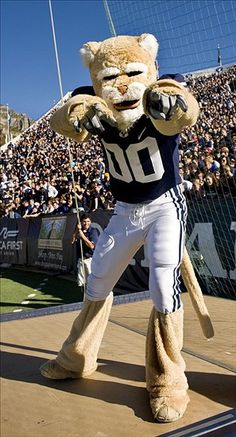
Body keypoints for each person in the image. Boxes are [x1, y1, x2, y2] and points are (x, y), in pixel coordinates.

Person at [40, 33, 201, 423]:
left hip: (165, 205)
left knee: (163, 285)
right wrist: (79, 113)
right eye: (113, 76)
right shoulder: (93, 97)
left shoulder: (160, 88)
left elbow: (184, 107)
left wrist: (172, 104)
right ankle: (77, 358)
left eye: (132, 72)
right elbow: (66, 117)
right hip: (125, 209)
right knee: (97, 282)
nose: (124, 85)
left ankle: (168, 380)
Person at [72, 213, 99, 286]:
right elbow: (72, 241)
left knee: (91, 283)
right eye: (84, 221)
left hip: (89, 260)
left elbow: (92, 246)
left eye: (88, 221)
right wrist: (77, 230)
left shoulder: (93, 231)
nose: (86, 223)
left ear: (90, 222)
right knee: (83, 284)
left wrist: (82, 236)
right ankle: (85, 297)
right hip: (81, 260)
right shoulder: (79, 231)